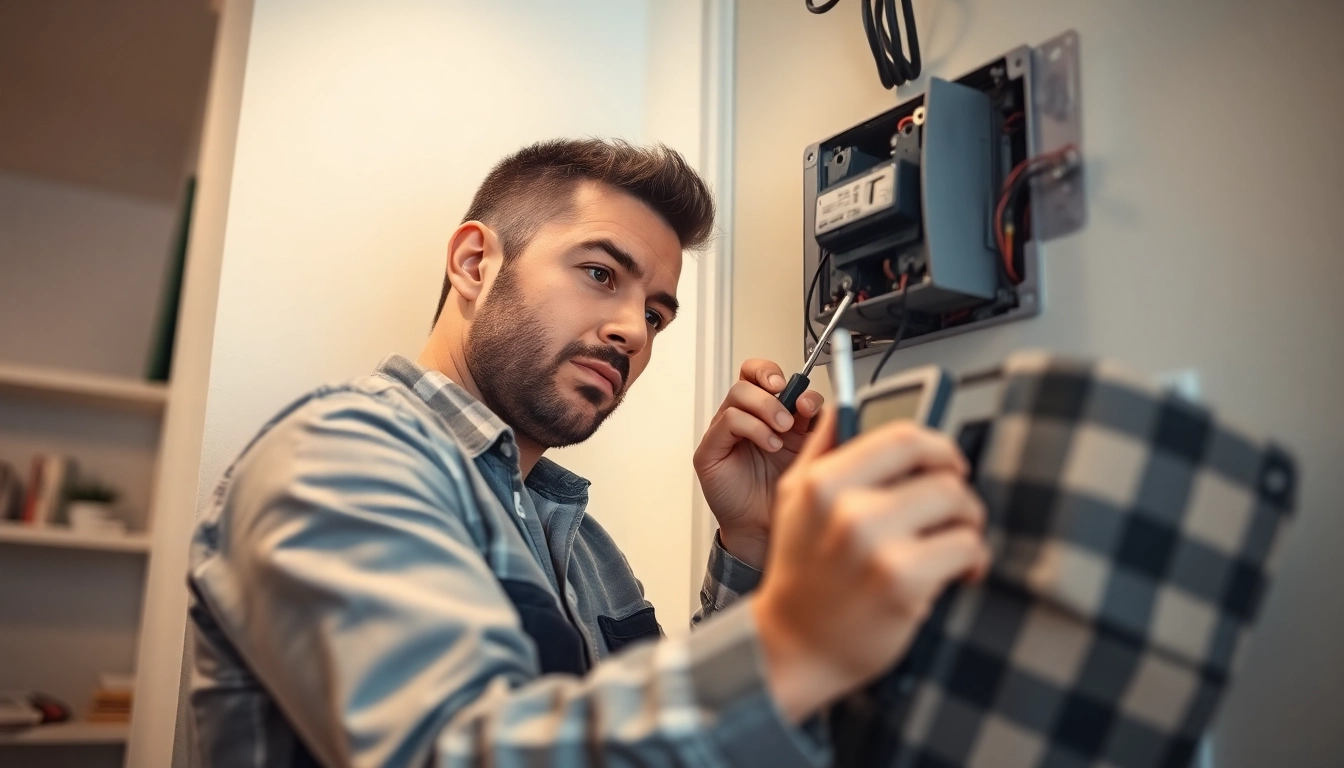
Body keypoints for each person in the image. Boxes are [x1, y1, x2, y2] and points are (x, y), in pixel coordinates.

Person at [187, 139, 990, 767]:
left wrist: (750, 542)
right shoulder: (342, 457)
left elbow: (647, 743)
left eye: (657, 314)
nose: (634, 331)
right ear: (475, 263)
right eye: (600, 273)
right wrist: (800, 638)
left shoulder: (581, 544)